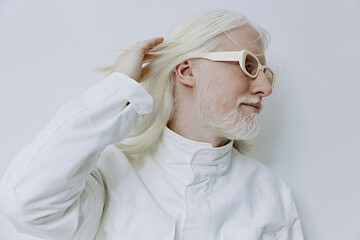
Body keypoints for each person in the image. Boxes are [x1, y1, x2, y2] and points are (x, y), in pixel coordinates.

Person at [0, 10, 304, 240]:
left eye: (266, 72)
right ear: (187, 70)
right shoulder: (110, 172)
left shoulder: (273, 196)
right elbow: (26, 206)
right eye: (249, 65)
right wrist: (119, 90)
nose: (265, 86)